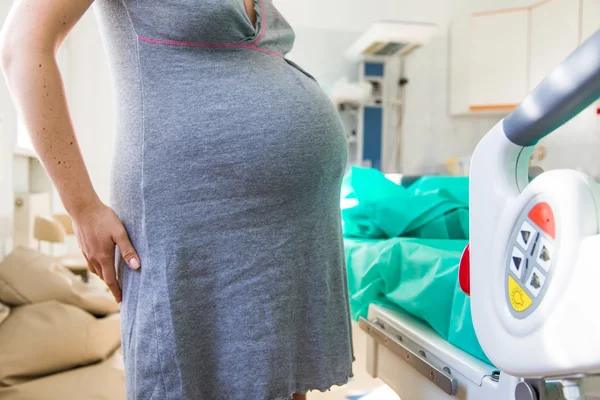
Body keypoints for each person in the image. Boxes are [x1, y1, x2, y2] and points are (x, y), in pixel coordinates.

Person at [0, 0, 354, 398]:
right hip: (191, 220)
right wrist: (82, 208)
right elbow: (22, 44)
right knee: (191, 378)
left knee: (280, 377)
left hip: (290, 229)